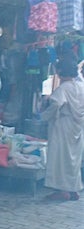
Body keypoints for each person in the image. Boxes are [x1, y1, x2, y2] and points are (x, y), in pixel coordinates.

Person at [41, 56, 84, 201]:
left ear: (60, 71)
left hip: (64, 125)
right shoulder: (81, 86)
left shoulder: (64, 88)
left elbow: (56, 103)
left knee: (60, 157)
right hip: (77, 126)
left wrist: (44, 117)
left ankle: (62, 189)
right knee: (73, 159)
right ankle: (73, 189)